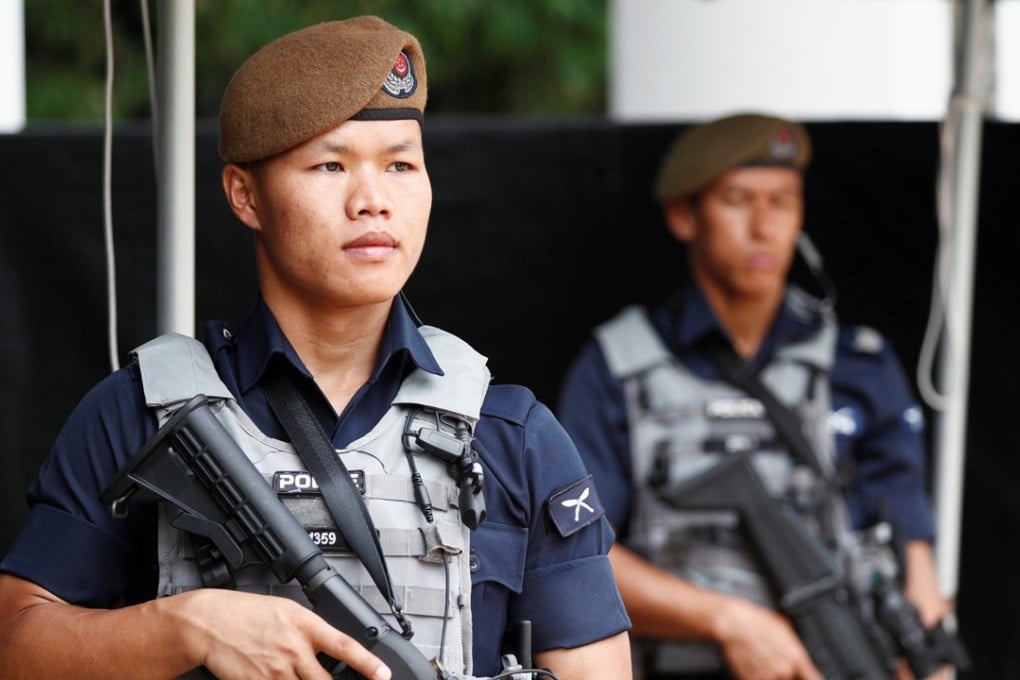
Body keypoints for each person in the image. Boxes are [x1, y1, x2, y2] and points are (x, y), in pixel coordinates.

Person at [0, 16, 632, 680]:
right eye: (331, 165)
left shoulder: (512, 438)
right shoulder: (141, 413)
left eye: (401, 165)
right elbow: (15, 644)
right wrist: (187, 627)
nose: (373, 201)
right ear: (245, 195)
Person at [556, 113, 956, 680]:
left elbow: (913, 559)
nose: (764, 227)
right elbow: (575, 555)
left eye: (782, 202)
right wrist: (727, 621)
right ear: (684, 215)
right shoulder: (618, 366)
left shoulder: (859, 366)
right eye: (738, 200)